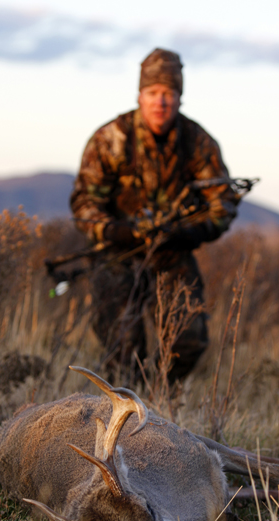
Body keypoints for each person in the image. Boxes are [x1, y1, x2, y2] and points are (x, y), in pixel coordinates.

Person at [70, 48, 241, 383]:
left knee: (189, 341)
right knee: (123, 347)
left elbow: (223, 204)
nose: (160, 102)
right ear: (139, 96)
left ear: (179, 98)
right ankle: (125, 418)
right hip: (118, 254)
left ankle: (160, 404)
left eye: (168, 94)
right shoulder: (111, 139)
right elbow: (84, 203)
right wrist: (120, 232)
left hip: (171, 254)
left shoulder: (198, 141)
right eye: (153, 94)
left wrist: (190, 233)